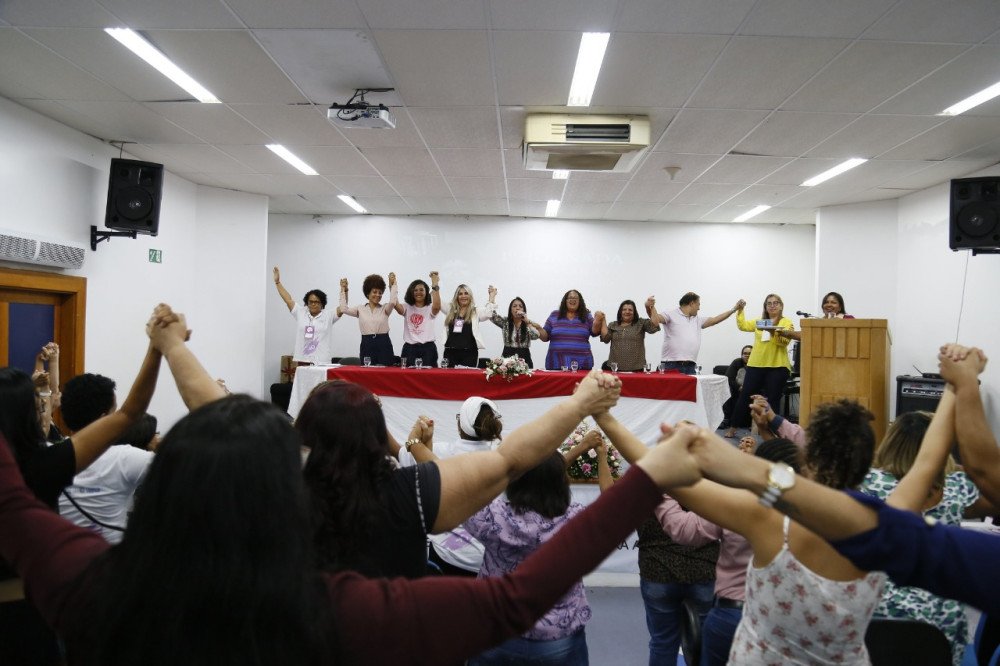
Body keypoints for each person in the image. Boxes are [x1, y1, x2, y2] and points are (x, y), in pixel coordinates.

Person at [0, 305, 709, 666]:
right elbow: (510, 487)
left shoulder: (94, 587)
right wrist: (609, 434)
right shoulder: (345, 608)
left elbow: (210, 412)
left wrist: (170, 346)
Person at [297, 367, 623, 579]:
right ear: (375, 434)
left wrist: (414, 442)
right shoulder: (410, 491)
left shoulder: (283, 493)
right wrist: (580, 405)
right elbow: (511, 461)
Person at [662, 399, 886, 664]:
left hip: (742, 621)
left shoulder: (757, 510)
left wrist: (660, 475)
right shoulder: (881, 523)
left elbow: (684, 526)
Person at [0, 330, 160, 666]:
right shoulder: (42, 464)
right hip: (33, 607)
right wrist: (159, 348)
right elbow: (129, 413)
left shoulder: (39, 457)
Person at [656, 439, 803, 666]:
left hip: (732, 616)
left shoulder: (739, 504)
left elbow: (682, 529)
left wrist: (661, 491)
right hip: (786, 621)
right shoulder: (815, 516)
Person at [465, 447, 607, 665]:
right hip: (558, 635)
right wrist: (602, 457)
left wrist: (418, 444)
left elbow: (452, 489)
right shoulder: (577, 520)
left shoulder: (492, 517)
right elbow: (612, 503)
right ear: (562, 483)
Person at [398, 396, 505, 576]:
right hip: (491, 561)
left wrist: (418, 441)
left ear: (459, 425)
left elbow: (417, 466)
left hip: (447, 558)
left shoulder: (443, 451)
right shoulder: (507, 457)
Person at [57, 373, 155, 544]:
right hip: (111, 558)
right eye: (115, 414)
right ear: (104, 420)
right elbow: (189, 469)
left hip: (58, 556)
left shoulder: (46, 455)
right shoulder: (126, 458)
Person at [730, 294, 794, 429]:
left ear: (781, 306)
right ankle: (733, 427)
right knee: (745, 396)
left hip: (777, 366)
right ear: (765, 306)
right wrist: (740, 310)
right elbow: (743, 326)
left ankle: (773, 431)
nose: (772, 305)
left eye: (776, 303)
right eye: (769, 303)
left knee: (773, 400)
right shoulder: (760, 321)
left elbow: (784, 343)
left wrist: (772, 332)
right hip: (756, 365)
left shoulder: (786, 322)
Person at [647, 293, 744, 375]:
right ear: (692, 303)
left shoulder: (698, 320)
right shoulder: (670, 314)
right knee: (671, 392)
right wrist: (650, 306)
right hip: (671, 365)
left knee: (691, 392)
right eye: (698, 305)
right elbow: (655, 321)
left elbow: (715, 320)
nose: (699, 308)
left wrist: (734, 309)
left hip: (691, 366)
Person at [272, 266, 340, 367]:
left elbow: (343, 308)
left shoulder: (329, 315)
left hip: (322, 361)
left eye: (317, 302)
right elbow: (288, 299)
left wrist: (344, 291)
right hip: (303, 359)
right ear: (307, 302)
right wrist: (277, 282)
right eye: (310, 302)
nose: (313, 304)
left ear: (322, 303)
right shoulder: (300, 312)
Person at [339, 272, 398, 366]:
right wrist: (344, 290)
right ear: (368, 293)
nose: (378, 295)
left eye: (380, 293)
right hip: (367, 344)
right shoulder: (360, 309)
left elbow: (393, 302)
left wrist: (393, 284)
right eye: (374, 292)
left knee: (386, 371)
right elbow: (343, 309)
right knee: (367, 371)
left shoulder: (385, 308)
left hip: (384, 343)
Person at [541, 289, 603, 371]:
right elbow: (545, 336)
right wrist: (538, 329)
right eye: (570, 298)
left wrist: (598, 321)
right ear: (565, 301)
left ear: (580, 301)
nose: (572, 300)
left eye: (575, 298)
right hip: (557, 362)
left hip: (582, 364)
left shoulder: (586, 315)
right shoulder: (554, 315)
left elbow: (595, 332)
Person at [439, 283, 496, 368]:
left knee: (468, 376)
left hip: (469, 354)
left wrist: (492, 297)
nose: (463, 296)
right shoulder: (450, 309)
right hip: (450, 353)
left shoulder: (476, 311)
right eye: (460, 294)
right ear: (456, 297)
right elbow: (437, 303)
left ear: (470, 296)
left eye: (466, 293)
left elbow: (488, 314)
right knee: (449, 376)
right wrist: (435, 285)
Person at [394, 271, 442, 367]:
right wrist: (393, 286)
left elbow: (437, 306)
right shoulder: (406, 307)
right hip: (410, 349)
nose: (418, 292)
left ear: (426, 292)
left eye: (421, 290)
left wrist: (435, 283)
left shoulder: (430, 307)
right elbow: (395, 304)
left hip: (428, 349)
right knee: (407, 375)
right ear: (411, 292)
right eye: (415, 290)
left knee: (430, 375)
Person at [600, 298, 659, 372]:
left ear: (634, 312)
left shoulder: (641, 323)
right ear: (620, 312)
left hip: (636, 368)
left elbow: (655, 324)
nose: (627, 312)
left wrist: (651, 307)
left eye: (630, 310)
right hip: (615, 368)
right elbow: (605, 338)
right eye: (624, 309)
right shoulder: (613, 325)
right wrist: (603, 320)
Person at [490, 296, 544, 368]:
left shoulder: (528, 323)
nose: (517, 308)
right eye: (514, 306)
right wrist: (492, 297)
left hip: (524, 357)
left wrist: (527, 322)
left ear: (524, 310)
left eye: (520, 306)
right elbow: (492, 316)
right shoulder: (505, 322)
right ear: (510, 310)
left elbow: (536, 336)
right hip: (507, 356)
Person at [779, 291, 854, 342]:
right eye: (826, 302)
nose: (829, 305)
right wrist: (783, 332)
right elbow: (805, 335)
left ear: (840, 307)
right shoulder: (819, 322)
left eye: (833, 302)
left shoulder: (849, 319)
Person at [721, 345, 752, 437]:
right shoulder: (737, 362)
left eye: (750, 354)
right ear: (741, 354)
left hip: (751, 391)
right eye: (745, 353)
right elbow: (729, 378)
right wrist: (739, 387)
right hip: (737, 390)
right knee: (727, 389)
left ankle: (754, 423)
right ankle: (726, 419)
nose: (747, 356)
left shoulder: (757, 365)